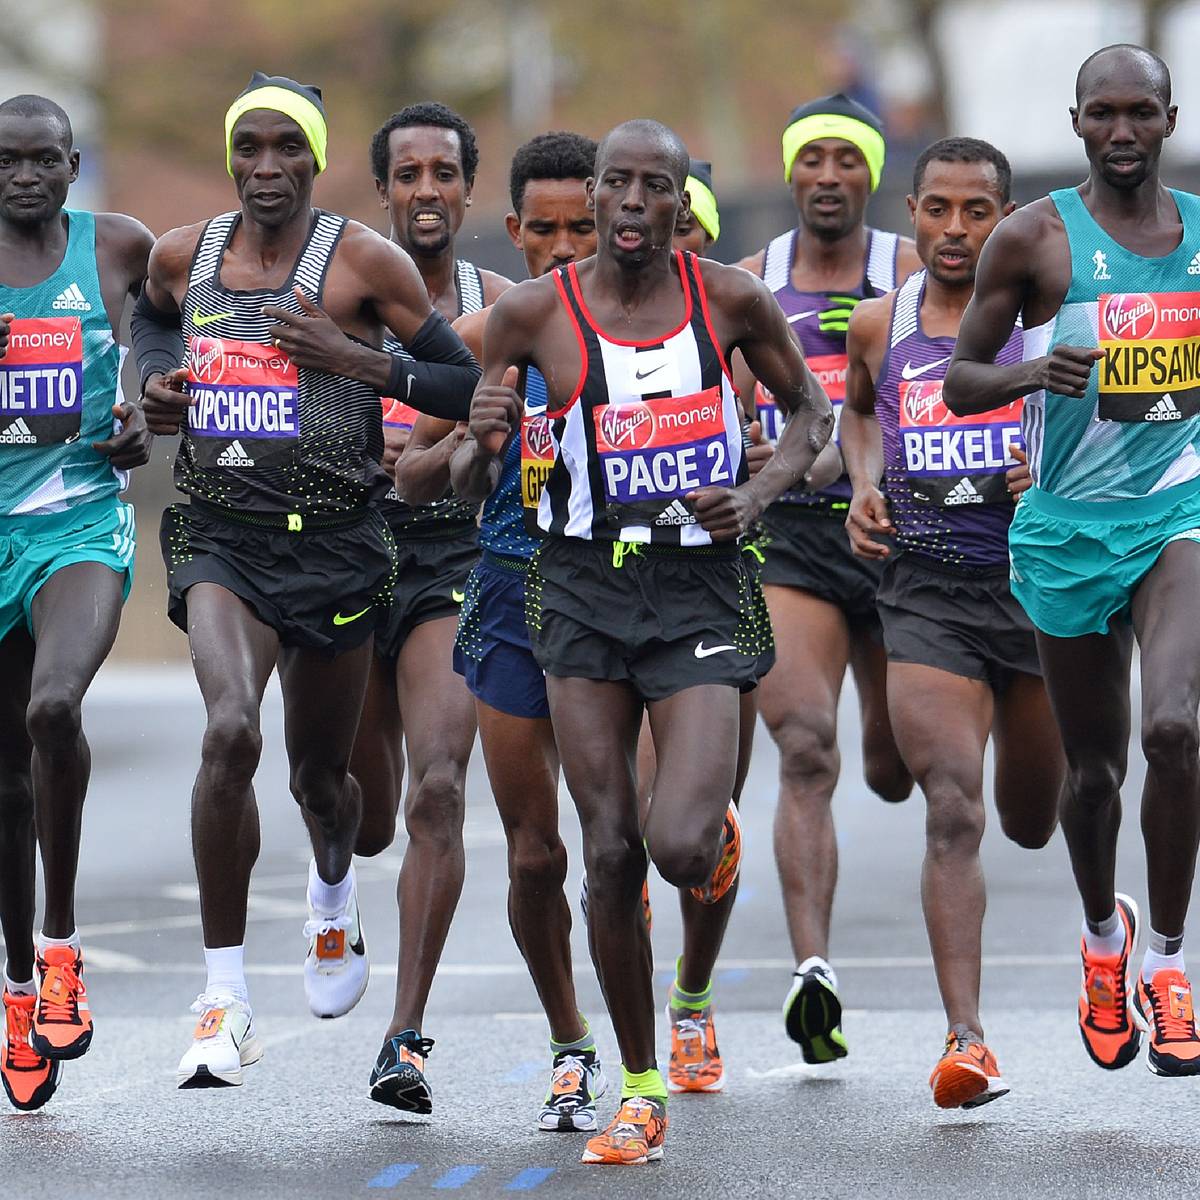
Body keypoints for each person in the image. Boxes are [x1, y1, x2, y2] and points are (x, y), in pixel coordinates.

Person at [475, 117, 833, 1165]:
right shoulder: (534, 312)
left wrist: (757, 494)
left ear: (682, 200)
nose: (633, 203)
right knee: (610, 848)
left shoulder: (729, 298)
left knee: (678, 844)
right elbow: (466, 449)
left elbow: (810, 418)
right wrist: (482, 426)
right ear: (592, 198)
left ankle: (715, 850)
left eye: (655, 186)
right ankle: (640, 1088)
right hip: (582, 587)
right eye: (616, 185)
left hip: (699, 587)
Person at [134, 73, 479, 1089]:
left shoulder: (361, 263)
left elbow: (462, 378)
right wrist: (148, 383)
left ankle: (333, 890)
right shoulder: (184, 253)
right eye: (253, 148)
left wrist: (354, 360)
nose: (269, 167)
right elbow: (149, 318)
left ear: (316, 161)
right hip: (221, 533)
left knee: (325, 785)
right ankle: (224, 998)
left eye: (290, 149)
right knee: (229, 726)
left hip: (336, 542)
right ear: (232, 156)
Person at [947, 43, 1200, 1078]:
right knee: (1091, 775)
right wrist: (1025, 374)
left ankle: (1174, 966)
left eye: (1143, 112)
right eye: (1105, 114)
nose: (1125, 132)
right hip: (1064, 531)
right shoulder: (1034, 238)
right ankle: (1106, 939)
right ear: (1079, 122)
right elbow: (961, 379)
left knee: (1176, 729)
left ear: (1171, 119)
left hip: (1178, 513)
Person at [377, 130, 604, 1124]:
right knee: (531, 853)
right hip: (510, 589)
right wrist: (476, 433)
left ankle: (650, 1026)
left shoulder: (661, 328)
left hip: (625, 602)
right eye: (543, 230)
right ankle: (571, 1043)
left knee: (629, 842)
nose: (562, 248)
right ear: (513, 231)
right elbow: (415, 474)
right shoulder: (489, 337)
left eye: (582, 228)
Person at [842, 136, 1063, 1107]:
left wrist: (1048, 472)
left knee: (1029, 817)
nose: (956, 230)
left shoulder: (1047, 328)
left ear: (1007, 220)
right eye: (938, 208)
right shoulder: (881, 324)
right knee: (953, 808)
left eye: (979, 211)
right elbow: (856, 413)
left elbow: (1109, 430)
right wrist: (861, 484)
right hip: (925, 590)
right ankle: (966, 1039)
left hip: (1039, 592)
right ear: (914, 211)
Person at [326, 102, 511, 1112]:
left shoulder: (506, 305)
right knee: (355, 814)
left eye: (446, 171)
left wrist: (448, 455)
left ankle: (405, 1036)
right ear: (386, 190)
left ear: (468, 188)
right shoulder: (343, 296)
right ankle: (332, 888)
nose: (428, 189)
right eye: (408, 174)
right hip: (348, 555)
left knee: (438, 790)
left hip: (454, 556)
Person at [736, 94, 918, 1061]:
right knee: (805, 748)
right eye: (814, 161)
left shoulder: (913, 272)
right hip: (794, 542)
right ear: (793, 172)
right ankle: (815, 973)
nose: (830, 177)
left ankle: (894, 750)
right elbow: (715, 391)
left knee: (891, 771)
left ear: (872, 174)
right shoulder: (751, 280)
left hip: (895, 533)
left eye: (850, 160)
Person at [0, 95, 153, 1112]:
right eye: (7, 162)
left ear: (73, 166)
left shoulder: (117, 248)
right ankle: (18, 995)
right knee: (5, 784)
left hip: (77, 524)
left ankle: (61, 951)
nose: (25, 177)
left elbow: (173, 332)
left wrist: (146, 391)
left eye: (45, 161)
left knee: (53, 707)